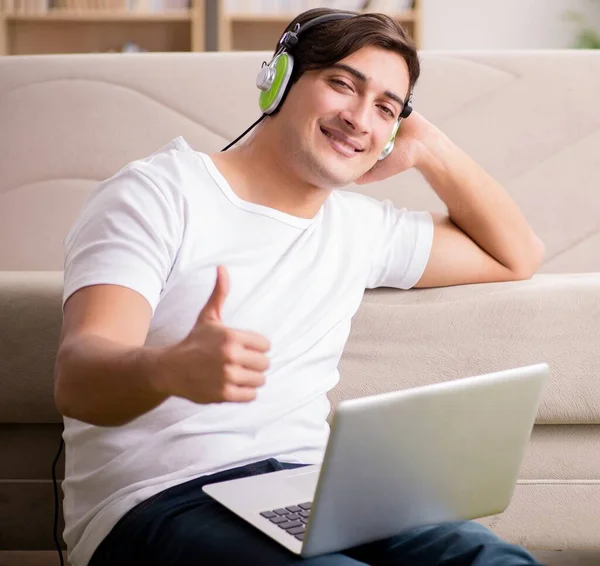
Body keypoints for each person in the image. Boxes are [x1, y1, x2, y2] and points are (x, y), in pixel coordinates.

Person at [54, 7, 545, 566]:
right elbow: (78, 376)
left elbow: (518, 253)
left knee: (495, 562)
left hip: (311, 488)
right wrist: (170, 369)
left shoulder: (361, 227)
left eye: (385, 108)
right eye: (342, 84)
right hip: (158, 502)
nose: (360, 119)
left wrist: (429, 147)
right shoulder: (158, 194)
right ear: (280, 80)